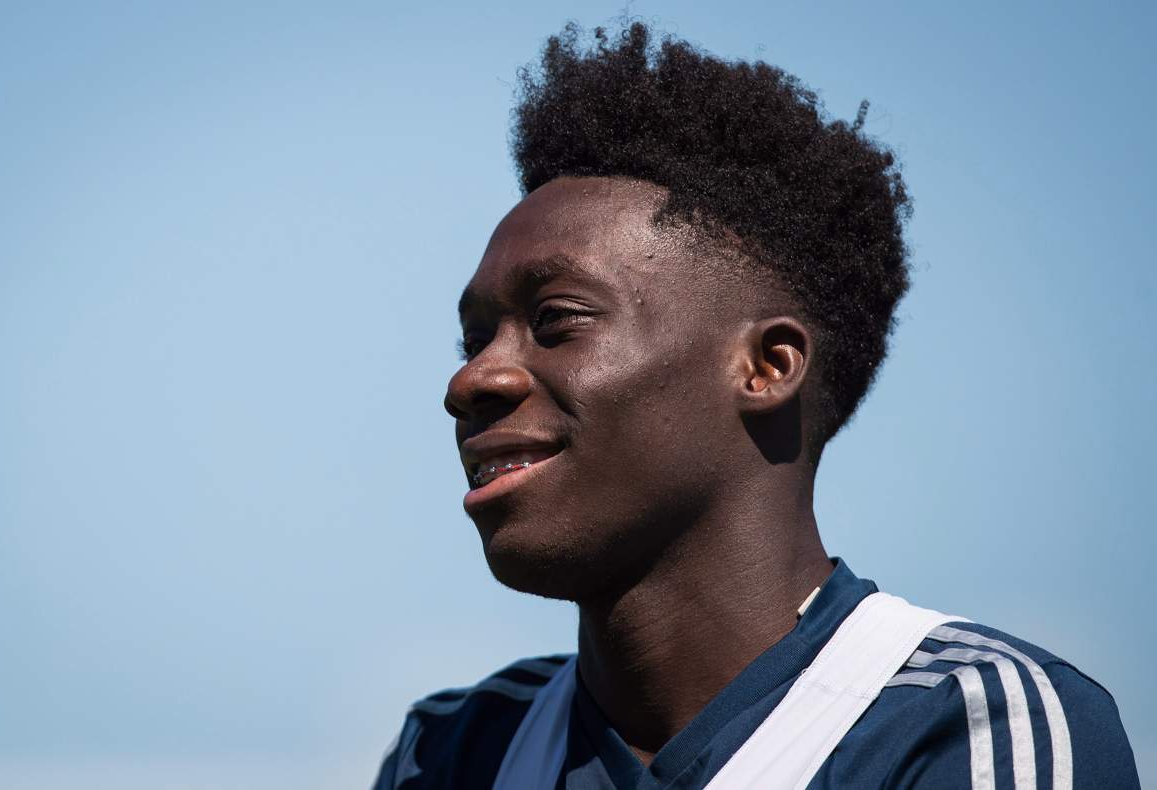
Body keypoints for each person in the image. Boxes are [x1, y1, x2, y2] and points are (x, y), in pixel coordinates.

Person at [372, 21, 1140, 790]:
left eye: (555, 320)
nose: (472, 380)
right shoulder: (453, 752)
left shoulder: (967, 724)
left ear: (767, 367)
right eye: (474, 339)